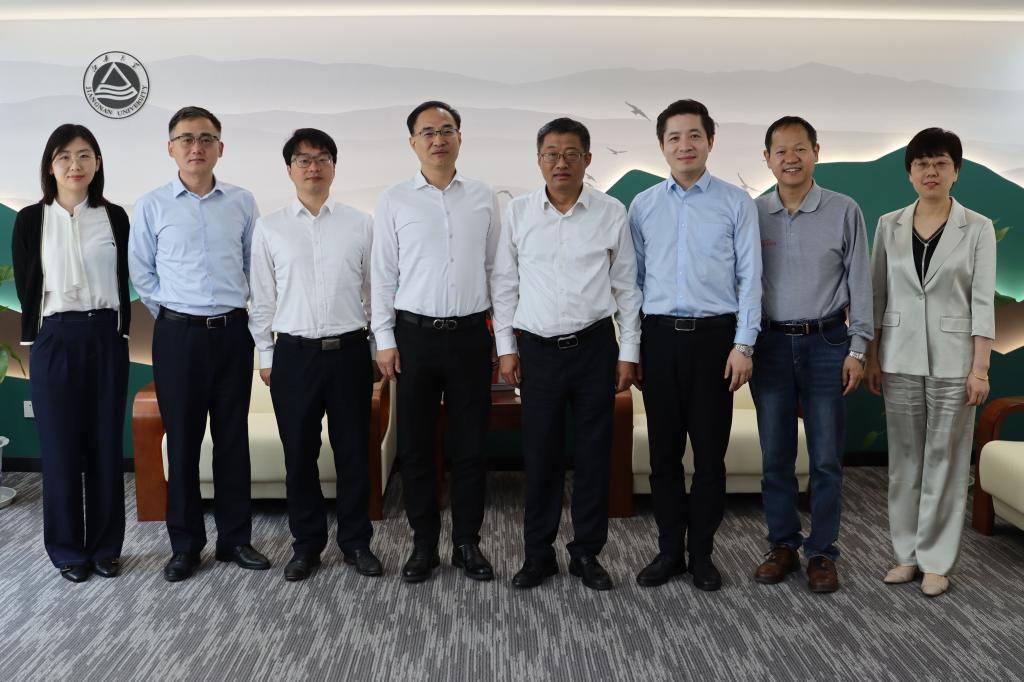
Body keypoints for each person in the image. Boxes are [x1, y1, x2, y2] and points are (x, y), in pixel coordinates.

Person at [493, 117, 641, 591]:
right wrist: (506, 349)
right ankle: (537, 554)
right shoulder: (518, 213)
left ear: (587, 160)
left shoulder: (611, 212)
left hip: (595, 348)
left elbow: (627, 289)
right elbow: (505, 284)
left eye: (571, 153)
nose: (561, 162)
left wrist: (629, 353)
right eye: (552, 154)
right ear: (539, 160)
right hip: (537, 351)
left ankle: (586, 554)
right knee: (541, 456)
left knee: (594, 454)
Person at [129, 106, 269, 582]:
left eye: (206, 138)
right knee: (183, 443)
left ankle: (236, 540)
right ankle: (185, 545)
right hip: (178, 337)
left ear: (220, 148)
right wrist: (176, 314)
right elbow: (142, 273)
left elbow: (254, 267)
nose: (196, 147)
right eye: (186, 139)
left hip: (232, 334)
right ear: (171, 148)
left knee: (232, 439)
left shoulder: (242, 202)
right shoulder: (151, 205)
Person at [628, 99, 761, 591]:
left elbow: (751, 279)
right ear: (661, 145)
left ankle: (702, 553)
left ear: (710, 141)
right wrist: (632, 349)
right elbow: (633, 284)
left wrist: (743, 345)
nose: (684, 145)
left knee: (709, 457)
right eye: (674, 137)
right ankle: (669, 551)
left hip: (715, 342)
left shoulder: (736, 203)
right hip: (659, 339)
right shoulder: (643, 205)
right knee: (664, 456)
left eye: (694, 136)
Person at [371, 101, 500, 583]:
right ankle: (423, 543)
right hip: (414, 337)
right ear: (413, 143)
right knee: (417, 447)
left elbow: (497, 271)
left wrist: (503, 340)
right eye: (427, 132)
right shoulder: (394, 200)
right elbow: (383, 274)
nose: (438, 139)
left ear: (460, 137)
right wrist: (385, 339)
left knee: (471, 447)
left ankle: (467, 542)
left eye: (446, 130)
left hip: (470, 336)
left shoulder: (484, 196)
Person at [865, 128, 996, 597]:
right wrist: (872, 356)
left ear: (956, 171)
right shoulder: (889, 224)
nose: (931, 171)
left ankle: (937, 561)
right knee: (904, 461)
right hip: (898, 357)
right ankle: (906, 555)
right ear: (909, 173)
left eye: (941, 163)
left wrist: (980, 369)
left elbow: (983, 302)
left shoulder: (977, 227)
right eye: (922, 163)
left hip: (955, 362)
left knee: (947, 460)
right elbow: (877, 294)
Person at [249, 128, 383, 582]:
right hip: (294, 355)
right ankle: (306, 545)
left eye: (322, 158)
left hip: (350, 353)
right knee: (299, 456)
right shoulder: (270, 228)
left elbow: (375, 293)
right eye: (303, 160)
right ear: (289, 169)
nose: (313, 166)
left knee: (353, 453)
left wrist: (376, 347)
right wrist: (266, 355)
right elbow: (262, 299)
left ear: (334, 167)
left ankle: (356, 542)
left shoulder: (360, 224)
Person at [751, 116, 872, 593]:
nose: (791, 159)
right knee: (775, 456)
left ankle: (822, 551)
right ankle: (782, 544)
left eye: (800, 148)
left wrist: (858, 348)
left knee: (824, 459)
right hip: (770, 345)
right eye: (780, 151)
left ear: (816, 152)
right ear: (767, 159)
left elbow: (860, 283)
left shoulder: (844, 210)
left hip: (828, 343)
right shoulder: (753, 213)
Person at [12, 124, 131, 583]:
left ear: (97, 164)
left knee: (104, 444)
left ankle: (105, 548)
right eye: (64, 156)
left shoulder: (114, 217)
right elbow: (26, 284)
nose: (74, 165)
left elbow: (125, 276)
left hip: (105, 335)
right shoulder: (31, 219)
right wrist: (39, 338)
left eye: (84, 155)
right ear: (50, 166)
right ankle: (66, 551)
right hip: (54, 337)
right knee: (59, 448)